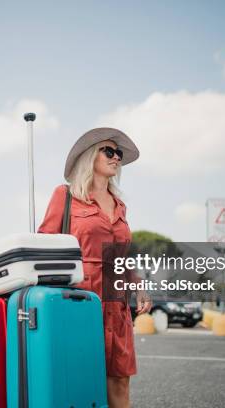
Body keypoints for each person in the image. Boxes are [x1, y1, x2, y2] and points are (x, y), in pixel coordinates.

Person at [38, 127, 151, 408]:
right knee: (79, 377)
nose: (116, 158)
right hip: (80, 299)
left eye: (119, 154)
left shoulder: (120, 205)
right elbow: (44, 245)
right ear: (90, 157)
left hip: (117, 303)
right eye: (109, 151)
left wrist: (138, 286)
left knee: (120, 378)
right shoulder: (65, 196)